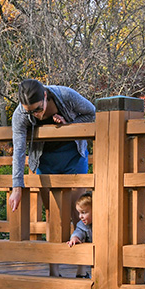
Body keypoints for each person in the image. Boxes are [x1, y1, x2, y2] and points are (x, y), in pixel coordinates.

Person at [9, 79, 95, 276]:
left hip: (73, 156)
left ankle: (83, 269)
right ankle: (53, 270)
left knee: (80, 213)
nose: (35, 115)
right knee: (53, 214)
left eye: (38, 110)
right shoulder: (21, 114)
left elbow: (93, 113)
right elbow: (19, 149)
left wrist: (69, 126)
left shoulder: (66, 95)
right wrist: (17, 187)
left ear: (45, 96)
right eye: (29, 112)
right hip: (45, 161)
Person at [67, 192, 92, 278]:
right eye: (79, 213)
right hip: (90, 253)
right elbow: (78, 231)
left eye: (84, 212)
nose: (80, 216)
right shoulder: (82, 224)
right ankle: (82, 273)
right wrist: (75, 238)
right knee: (81, 244)